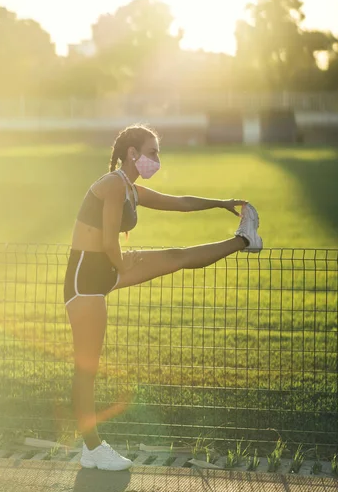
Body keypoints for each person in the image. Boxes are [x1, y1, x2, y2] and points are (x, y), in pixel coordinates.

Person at [64, 123, 263, 471]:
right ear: (132, 154)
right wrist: (124, 265)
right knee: (87, 368)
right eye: (153, 152)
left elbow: (180, 203)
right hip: (85, 285)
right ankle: (92, 448)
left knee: (177, 257)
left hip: (106, 272)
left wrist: (221, 203)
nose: (157, 159)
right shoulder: (112, 184)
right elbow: (110, 240)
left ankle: (244, 239)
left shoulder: (129, 188)